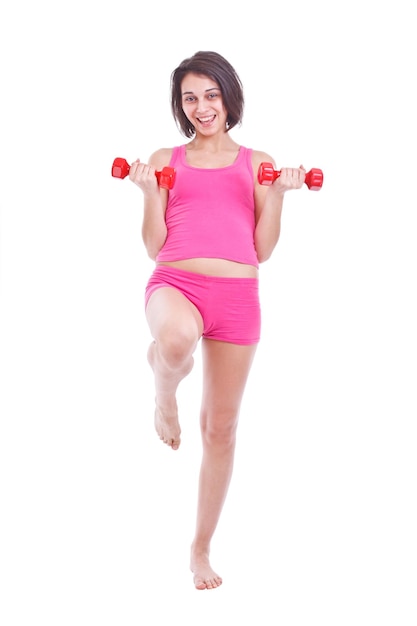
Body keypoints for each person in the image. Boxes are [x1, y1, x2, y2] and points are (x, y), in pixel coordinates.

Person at [127, 51, 306, 590]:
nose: (202, 107)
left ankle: (200, 550)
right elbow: (154, 245)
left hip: (238, 297)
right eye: (190, 98)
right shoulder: (166, 158)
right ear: (180, 107)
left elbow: (263, 250)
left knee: (221, 430)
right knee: (176, 338)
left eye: (210, 94)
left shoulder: (257, 163)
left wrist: (276, 195)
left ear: (229, 95)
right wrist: (147, 193)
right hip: (175, 283)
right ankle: (163, 398)